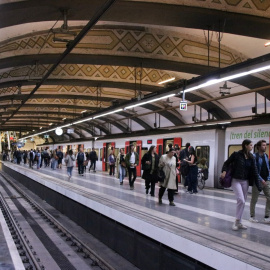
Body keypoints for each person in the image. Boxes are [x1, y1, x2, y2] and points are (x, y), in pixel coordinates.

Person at [221, 139, 262, 231]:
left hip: (245, 181)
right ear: (246, 145)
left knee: (242, 203)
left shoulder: (251, 157)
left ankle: (239, 222)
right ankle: (236, 221)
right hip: (236, 180)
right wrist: (224, 171)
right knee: (241, 200)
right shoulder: (236, 154)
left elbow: (255, 171)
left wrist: (258, 185)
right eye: (251, 145)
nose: (252, 147)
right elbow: (226, 163)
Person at [250, 140, 270, 223]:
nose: (265, 147)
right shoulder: (254, 156)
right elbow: (255, 171)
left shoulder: (266, 155)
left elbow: (267, 168)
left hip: (267, 180)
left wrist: (268, 178)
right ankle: (252, 216)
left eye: (265, 145)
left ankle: (267, 216)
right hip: (257, 181)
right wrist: (261, 180)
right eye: (263, 145)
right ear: (258, 147)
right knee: (254, 199)